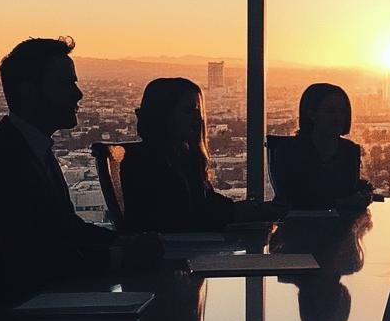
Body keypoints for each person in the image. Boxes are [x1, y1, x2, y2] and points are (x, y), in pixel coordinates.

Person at [0, 37, 160, 320]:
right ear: (30, 93)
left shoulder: (24, 149)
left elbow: (64, 229)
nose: (78, 94)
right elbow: (29, 255)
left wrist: (122, 242)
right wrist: (121, 253)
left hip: (19, 315)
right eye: (65, 84)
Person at [118, 77, 275, 232]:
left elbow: (205, 204)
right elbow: (185, 217)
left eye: (198, 112)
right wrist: (241, 212)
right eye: (188, 111)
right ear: (163, 115)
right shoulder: (145, 163)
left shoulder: (182, 156)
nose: (197, 119)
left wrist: (245, 210)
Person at [268, 83, 373, 210]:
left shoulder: (350, 150)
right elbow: (292, 198)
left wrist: (363, 192)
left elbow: (349, 189)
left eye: (342, 111)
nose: (338, 118)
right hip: (297, 224)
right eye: (330, 112)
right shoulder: (289, 151)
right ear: (312, 115)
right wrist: (340, 202)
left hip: (339, 225)